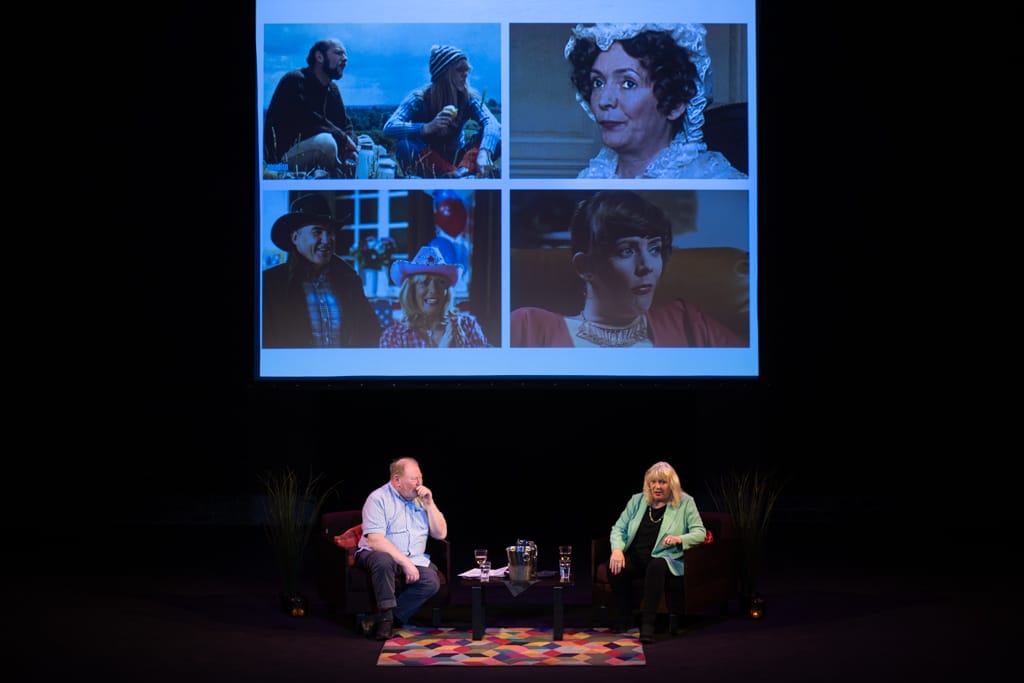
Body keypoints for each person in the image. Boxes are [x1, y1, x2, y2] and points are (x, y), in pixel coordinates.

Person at [510, 190, 746, 347]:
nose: (646, 267)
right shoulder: (529, 326)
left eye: (654, 249)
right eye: (627, 251)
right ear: (585, 267)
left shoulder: (689, 324)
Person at [565, 23, 747, 179]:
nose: (604, 100)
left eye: (628, 83)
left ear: (675, 103)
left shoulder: (714, 181)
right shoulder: (591, 177)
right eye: (598, 82)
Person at [262, 193, 383, 348]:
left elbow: (370, 330)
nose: (326, 240)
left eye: (330, 232)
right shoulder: (270, 284)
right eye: (317, 232)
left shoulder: (349, 280)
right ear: (295, 238)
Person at [606, 461, 707, 643]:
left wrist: (680, 539)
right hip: (637, 557)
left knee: (656, 564)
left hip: (666, 559)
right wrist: (617, 550)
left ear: (672, 485)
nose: (657, 487)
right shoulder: (637, 500)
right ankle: (625, 617)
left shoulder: (685, 503)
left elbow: (700, 532)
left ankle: (647, 625)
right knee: (614, 565)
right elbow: (618, 528)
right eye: (653, 482)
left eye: (662, 482)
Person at [355, 457, 448, 640]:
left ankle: (385, 619)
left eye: (420, 478)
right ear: (397, 480)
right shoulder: (378, 499)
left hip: (414, 558)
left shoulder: (421, 500)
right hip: (376, 554)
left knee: (431, 581)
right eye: (414, 479)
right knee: (384, 560)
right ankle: (386, 622)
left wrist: (430, 504)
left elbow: (440, 534)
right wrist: (404, 562)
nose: (419, 483)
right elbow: (375, 541)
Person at [382, 44, 501, 178]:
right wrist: (427, 127)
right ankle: (459, 175)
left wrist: (484, 152)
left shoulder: (468, 99)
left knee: (498, 134)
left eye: (467, 69)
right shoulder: (419, 99)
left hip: (458, 156)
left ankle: (460, 172)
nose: (466, 74)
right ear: (444, 74)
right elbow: (389, 127)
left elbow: (492, 123)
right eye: (460, 70)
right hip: (428, 156)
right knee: (404, 145)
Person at [264, 38, 359, 178]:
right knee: (326, 144)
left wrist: (350, 147)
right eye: (338, 53)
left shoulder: (332, 89)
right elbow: (310, 119)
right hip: (278, 164)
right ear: (319, 57)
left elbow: (345, 124)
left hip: (309, 151)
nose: (345, 58)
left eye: (345, 54)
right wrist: (345, 140)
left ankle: (338, 171)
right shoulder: (295, 80)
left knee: (365, 141)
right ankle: (335, 174)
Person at [379, 246, 490, 347]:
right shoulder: (393, 337)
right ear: (411, 290)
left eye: (441, 282)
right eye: (425, 282)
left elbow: (491, 365)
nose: (433, 290)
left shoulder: (468, 326)